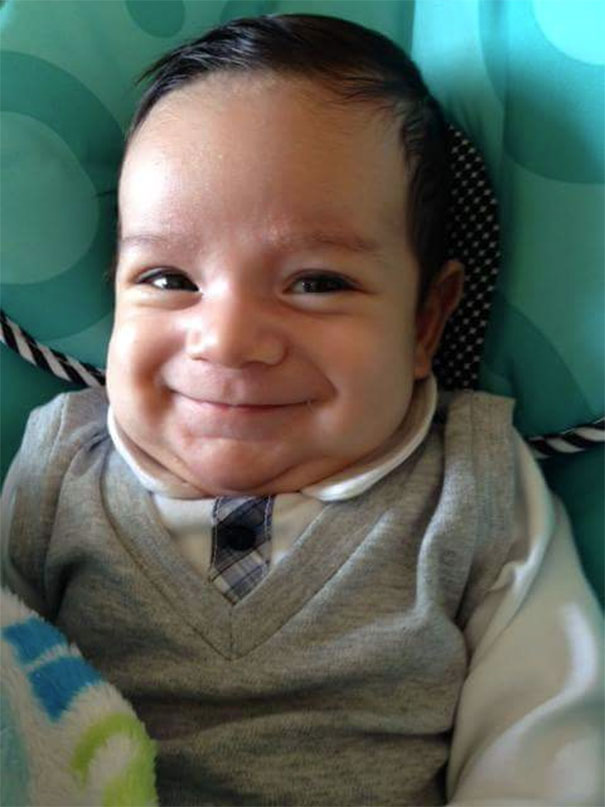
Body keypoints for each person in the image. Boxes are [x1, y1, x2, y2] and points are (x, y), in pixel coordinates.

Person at [1, 14, 602, 806]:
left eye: (316, 283)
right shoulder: (60, 466)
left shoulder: (474, 484)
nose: (226, 341)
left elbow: (544, 742)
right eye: (168, 279)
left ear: (425, 322)